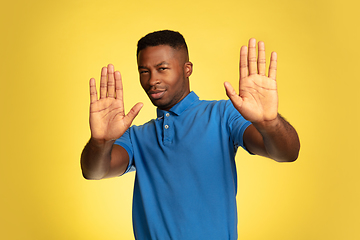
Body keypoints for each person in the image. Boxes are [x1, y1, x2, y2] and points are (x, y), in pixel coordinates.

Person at [81, 30, 300, 239]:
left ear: (187, 69)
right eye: (144, 71)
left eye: (162, 68)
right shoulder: (135, 136)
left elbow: (286, 153)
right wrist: (101, 142)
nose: (151, 80)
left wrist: (269, 123)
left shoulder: (223, 114)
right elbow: (95, 172)